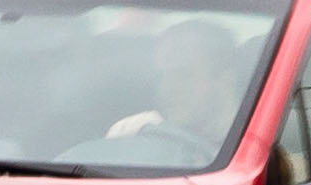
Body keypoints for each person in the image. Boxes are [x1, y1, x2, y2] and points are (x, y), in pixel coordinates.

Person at [104, 18, 244, 154]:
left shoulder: (258, 150)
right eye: (161, 76)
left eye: (182, 75)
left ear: (225, 81)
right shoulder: (137, 134)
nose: (167, 88)